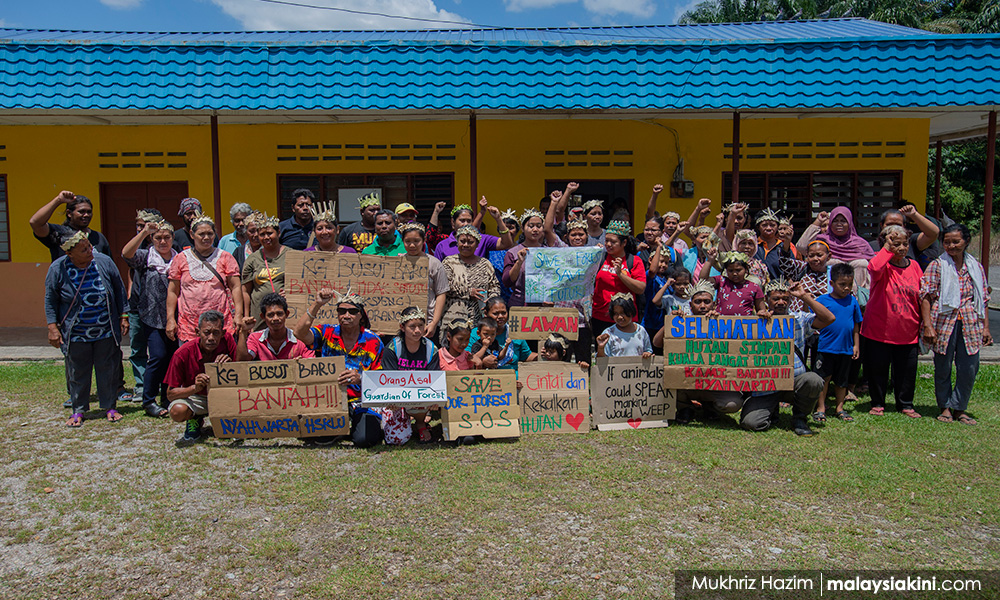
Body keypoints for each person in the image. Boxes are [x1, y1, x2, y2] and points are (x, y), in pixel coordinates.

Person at [45, 231, 128, 427]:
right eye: (84, 250)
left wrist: (123, 316)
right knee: (77, 372)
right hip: (76, 332)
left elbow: (118, 288)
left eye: (90, 246)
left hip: (105, 328)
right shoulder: (58, 268)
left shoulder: (103, 261)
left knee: (108, 369)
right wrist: (52, 327)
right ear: (69, 254)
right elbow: (50, 299)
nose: (90, 251)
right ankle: (78, 410)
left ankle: (109, 407)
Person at [739, 279, 833, 436]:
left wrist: (804, 296)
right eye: (776, 299)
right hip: (766, 385)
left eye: (785, 299)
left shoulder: (799, 319)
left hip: (794, 382)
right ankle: (771, 410)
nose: (781, 302)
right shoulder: (755, 322)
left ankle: (800, 417)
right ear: (767, 300)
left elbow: (828, 318)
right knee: (751, 423)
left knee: (813, 380)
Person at [294, 288, 385, 448]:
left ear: (361, 315)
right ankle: (339, 428)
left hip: (360, 399)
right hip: (330, 398)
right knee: (317, 437)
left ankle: (352, 425)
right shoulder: (327, 332)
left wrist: (361, 378)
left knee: (364, 439)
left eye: (352, 312)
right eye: (342, 311)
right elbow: (299, 333)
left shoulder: (374, 341)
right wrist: (317, 304)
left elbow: (381, 380)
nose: (346, 316)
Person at [920, 223, 991, 425]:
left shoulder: (975, 267)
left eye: (956, 241)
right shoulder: (937, 265)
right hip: (943, 323)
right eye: (947, 242)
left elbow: (983, 298)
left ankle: (960, 407)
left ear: (966, 241)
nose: (951, 246)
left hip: (970, 324)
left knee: (969, 367)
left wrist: (986, 327)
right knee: (943, 367)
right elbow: (926, 296)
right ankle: (944, 407)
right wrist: (928, 325)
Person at [861, 224, 923, 417]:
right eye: (896, 244)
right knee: (877, 368)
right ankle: (877, 402)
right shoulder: (882, 266)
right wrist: (887, 247)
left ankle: (905, 404)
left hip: (908, 330)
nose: (901, 248)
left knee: (907, 370)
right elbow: (874, 266)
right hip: (879, 329)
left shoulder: (914, 266)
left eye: (904, 244)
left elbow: (922, 296)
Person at [667, 280, 744, 424]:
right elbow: (657, 343)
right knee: (666, 380)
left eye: (707, 302)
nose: (702, 306)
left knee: (733, 403)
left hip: (716, 382)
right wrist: (671, 322)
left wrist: (719, 324)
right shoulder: (681, 322)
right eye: (698, 302)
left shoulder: (725, 323)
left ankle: (710, 406)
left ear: (714, 304)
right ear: (690, 305)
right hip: (687, 381)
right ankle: (685, 407)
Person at [122, 217, 178, 417]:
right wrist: (144, 232)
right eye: (158, 238)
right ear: (152, 240)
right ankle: (148, 399)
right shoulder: (146, 257)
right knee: (157, 357)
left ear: (172, 238)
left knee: (171, 358)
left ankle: (166, 397)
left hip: (176, 317)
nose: (163, 242)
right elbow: (126, 253)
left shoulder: (179, 258)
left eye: (166, 238)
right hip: (151, 316)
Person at [166, 213, 243, 344]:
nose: (206, 237)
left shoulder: (225, 257)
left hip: (220, 324)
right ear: (192, 235)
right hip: (189, 325)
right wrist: (170, 319)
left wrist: (239, 315)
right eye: (201, 234)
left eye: (210, 234)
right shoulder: (181, 258)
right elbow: (173, 291)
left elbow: (235, 287)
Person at [165, 310, 236, 444]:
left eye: (216, 333)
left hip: (224, 395)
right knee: (177, 411)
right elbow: (170, 394)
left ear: (222, 333)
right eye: (206, 332)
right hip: (197, 397)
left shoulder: (228, 341)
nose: (211, 338)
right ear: (198, 332)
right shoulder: (182, 353)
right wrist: (194, 388)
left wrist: (231, 365)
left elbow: (243, 371)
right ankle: (194, 418)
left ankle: (226, 421)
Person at [381, 307, 440, 443]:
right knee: (396, 440)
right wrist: (392, 400)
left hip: (419, 395)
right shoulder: (392, 348)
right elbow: (388, 379)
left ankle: (420, 423)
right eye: (412, 327)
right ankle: (399, 420)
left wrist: (434, 399)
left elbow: (434, 380)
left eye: (420, 325)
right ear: (402, 327)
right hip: (397, 395)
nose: (417, 331)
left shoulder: (431, 349)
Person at [813, 263, 863, 423]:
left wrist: (856, 345)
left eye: (849, 284)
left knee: (842, 381)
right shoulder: (822, 300)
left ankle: (839, 408)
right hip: (826, 347)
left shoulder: (853, 302)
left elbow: (856, 325)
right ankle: (820, 408)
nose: (846, 288)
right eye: (842, 285)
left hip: (845, 349)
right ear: (832, 283)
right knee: (823, 379)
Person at [591, 221, 646, 339]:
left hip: (625, 318)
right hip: (600, 316)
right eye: (606, 241)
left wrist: (620, 274)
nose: (608, 244)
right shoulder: (600, 258)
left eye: (613, 242)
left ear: (624, 242)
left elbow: (640, 288)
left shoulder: (634, 261)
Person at [797, 207, 873, 291]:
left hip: (856, 299)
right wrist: (818, 222)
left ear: (849, 223)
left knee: (861, 263)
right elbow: (802, 247)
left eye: (843, 221)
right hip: (827, 294)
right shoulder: (823, 241)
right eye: (835, 221)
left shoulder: (860, 244)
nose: (839, 224)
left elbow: (875, 266)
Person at [503, 208, 565, 308]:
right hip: (520, 305)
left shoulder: (548, 252)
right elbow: (507, 281)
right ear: (523, 228)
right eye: (531, 226)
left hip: (543, 305)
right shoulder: (513, 253)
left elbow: (556, 279)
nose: (535, 230)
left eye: (539, 226)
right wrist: (519, 262)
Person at [441, 226, 501, 325]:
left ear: (477, 244)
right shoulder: (449, 262)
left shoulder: (485, 264)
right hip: (453, 317)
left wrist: (489, 303)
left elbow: (495, 286)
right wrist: (468, 292)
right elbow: (444, 287)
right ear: (457, 242)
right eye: (462, 241)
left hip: (480, 317)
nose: (466, 245)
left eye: (470, 242)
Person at [399, 222, 448, 340]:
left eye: (416, 241)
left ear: (424, 240)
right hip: (403, 323)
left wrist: (434, 322)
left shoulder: (434, 263)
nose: (412, 245)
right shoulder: (398, 262)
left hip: (427, 322)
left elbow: (441, 293)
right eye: (407, 241)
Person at [30, 190, 111, 262]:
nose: (86, 215)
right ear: (69, 213)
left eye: (89, 212)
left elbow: (109, 266)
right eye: (81, 211)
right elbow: (35, 223)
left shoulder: (99, 238)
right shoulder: (59, 233)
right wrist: (58, 200)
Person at [236, 292, 313, 361]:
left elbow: (311, 364)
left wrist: (302, 363)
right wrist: (243, 332)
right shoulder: (255, 338)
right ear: (263, 317)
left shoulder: (299, 339)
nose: (275, 318)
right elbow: (242, 362)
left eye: (279, 314)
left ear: (287, 314)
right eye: (270, 315)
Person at [242, 213, 287, 329]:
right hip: (259, 316)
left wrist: (291, 293)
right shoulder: (252, 259)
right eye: (262, 234)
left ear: (279, 233)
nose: (266, 237)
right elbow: (246, 291)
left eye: (270, 233)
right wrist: (247, 317)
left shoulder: (291, 255)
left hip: (285, 314)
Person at [466, 296, 535, 370]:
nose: (500, 316)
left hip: (514, 378)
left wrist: (544, 355)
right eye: (496, 313)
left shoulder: (514, 332)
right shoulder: (476, 333)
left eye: (504, 313)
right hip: (488, 380)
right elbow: (466, 359)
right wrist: (483, 362)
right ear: (486, 313)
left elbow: (527, 356)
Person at [433, 199, 515, 261]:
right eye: (462, 221)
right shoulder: (442, 246)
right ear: (453, 222)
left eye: (469, 221)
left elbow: (506, 243)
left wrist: (498, 219)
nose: (465, 224)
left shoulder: (482, 240)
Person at [871, 205, 941, 269]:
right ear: (881, 225)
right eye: (889, 224)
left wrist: (914, 215)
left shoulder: (910, 242)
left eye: (898, 225)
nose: (893, 228)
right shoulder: (872, 246)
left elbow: (933, 233)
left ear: (904, 226)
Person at [699, 249, 765, 316]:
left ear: (746, 269)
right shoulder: (722, 281)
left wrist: (762, 313)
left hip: (745, 325)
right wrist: (710, 260)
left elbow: (761, 310)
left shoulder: (754, 287)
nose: (734, 274)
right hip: (722, 324)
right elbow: (703, 279)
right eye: (730, 271)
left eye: (738, 270)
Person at [596, 293, 654, 358]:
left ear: (631, 311)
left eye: (623, 313)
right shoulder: (608, 333)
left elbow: (648, 350)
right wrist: (601, 348)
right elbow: (601, 360)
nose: (620, 317)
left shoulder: (641, 331)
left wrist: (647, 354)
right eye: (616, 313)